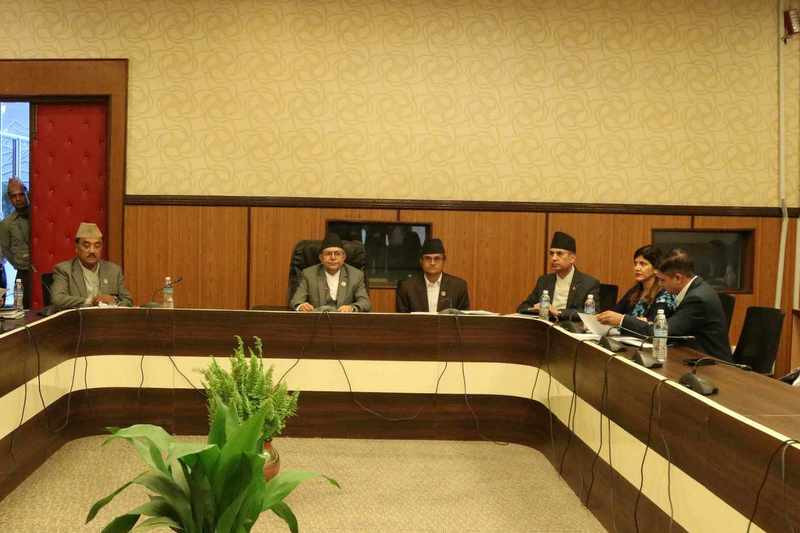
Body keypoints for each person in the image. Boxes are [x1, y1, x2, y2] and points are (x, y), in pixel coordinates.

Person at [607, 248, 732, 361]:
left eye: (662, 280)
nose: (660, 285)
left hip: (713, 364)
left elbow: (661, 333)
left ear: (678, 278)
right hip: (692, 356)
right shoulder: (695, 288)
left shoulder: (697, 298)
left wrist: (622, 320)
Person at [517, 231, 600, 320]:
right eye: (551, 253)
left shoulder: (588, 283)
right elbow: (522, 307)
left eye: (559, 254)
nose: (554, 258)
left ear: (572, 258)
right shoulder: (544, 281)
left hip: (569, 327)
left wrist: (558, 312)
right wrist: (534, 309)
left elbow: (592, 313)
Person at [50, 222, 133, 310]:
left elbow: (128, 300)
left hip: (107, 317)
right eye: (86, 246)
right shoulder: (64, 270)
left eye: (97, 246)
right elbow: (57, 299)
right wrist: (90, 301)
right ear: (76, 248)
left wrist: (114, 300)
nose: (92, 251)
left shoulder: (114, 270)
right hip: (78, 317)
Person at [290, 232, 371, 312]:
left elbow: (365, 303)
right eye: (328, 254)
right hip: (316, 319)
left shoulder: (356, 275)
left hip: (344, 319)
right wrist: (301, 306)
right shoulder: (309, 274)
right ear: (321, 258)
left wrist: (352, 308)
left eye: (337, 254)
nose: (333, 258)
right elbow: (296, 301)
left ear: (343, 257)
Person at [596, 245, 676, 324]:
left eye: (643, 264)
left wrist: (621, 320)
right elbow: (615, 311)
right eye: (635, 263)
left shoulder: (665, 294)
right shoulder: (635, 291)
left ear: (656, 269)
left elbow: (653, 322)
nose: (637, 268)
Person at [395, 238, 469, 313]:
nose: (432, 263)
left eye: (437, 258)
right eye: (428, 258)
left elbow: (463, 318)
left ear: (443, 261)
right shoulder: (406, 287)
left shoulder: (458, 287)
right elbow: (402, 318)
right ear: (421, 261)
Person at [0, 177, 30, 305]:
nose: (18, 199)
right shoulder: (6, 224)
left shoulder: (41, 216)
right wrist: (21, 261)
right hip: (23, 273)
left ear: (26, 192)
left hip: (45, 270)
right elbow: (7, 251)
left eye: (21, 194)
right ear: (9, 198)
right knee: (20, 307)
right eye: (13, 196)